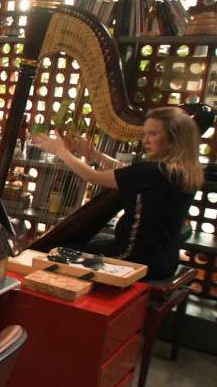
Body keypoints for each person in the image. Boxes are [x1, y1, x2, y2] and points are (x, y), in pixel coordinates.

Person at [32, 106, 203, 280]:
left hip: (135, 258)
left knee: (54, 251)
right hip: (164, 259)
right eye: (145, 134)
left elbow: (92, 176)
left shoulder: (153, 172)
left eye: (153, 134)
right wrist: (93, 154)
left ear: (174, 140)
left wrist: (61, 151)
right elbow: (125, 171)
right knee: (83, 246)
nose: (145, 141)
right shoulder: (183, 171)